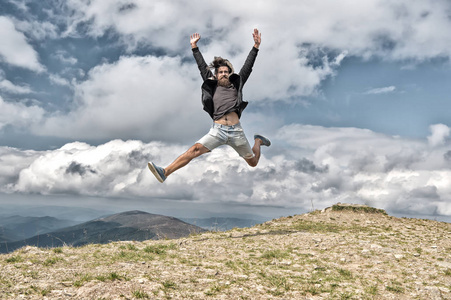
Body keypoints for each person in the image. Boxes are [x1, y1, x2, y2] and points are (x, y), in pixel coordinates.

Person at [148, 28, 270, 183]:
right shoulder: (212, 85)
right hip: (218, 131)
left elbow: (248, 66)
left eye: (226, 72)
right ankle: (165, 172)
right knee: (194, 150)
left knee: (253, 163)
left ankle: (258, 141)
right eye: (221, 72)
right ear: (216, 75)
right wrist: (194, 47)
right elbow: (201, 66)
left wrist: (256, 46)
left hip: (236, 131)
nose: (224, 74)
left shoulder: (236, 85)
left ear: (229, 73)